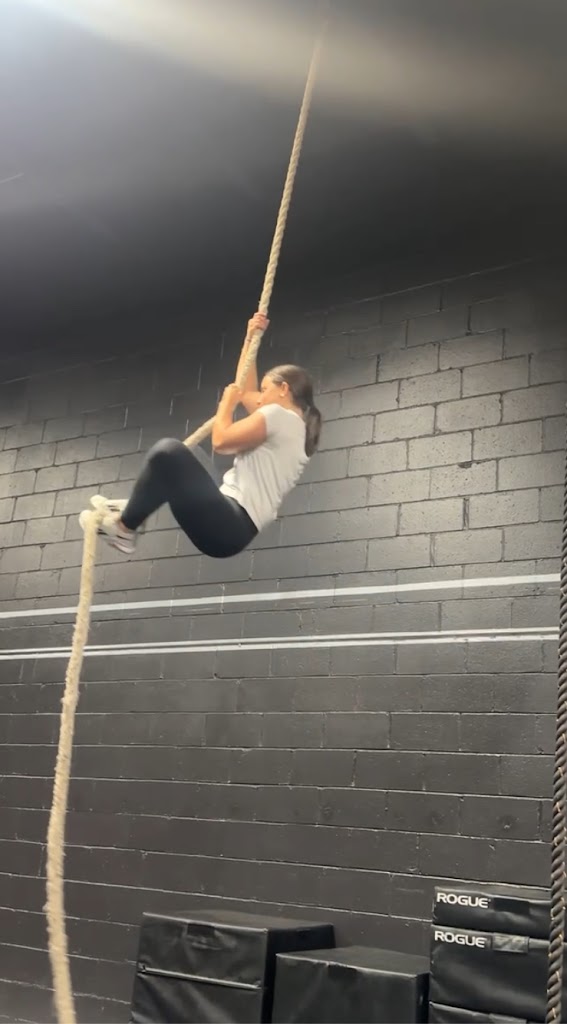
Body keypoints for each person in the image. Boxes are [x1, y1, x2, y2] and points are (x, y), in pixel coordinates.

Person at [79, 312, 322, 559]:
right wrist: (250, 339)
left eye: (265, 389)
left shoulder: (279, 416)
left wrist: (226, 405)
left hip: (229, 525)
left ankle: (124, 529)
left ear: (283, 389)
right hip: (231, 524)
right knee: (189, 453)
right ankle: (135, 510)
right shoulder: (295, 429)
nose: (259, 398)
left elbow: (221, 442)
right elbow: (246, 391)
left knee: (168, 452)